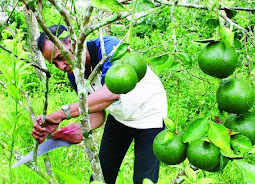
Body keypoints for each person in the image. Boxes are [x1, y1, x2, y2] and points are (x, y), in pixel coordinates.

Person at [32, 25, 168, 184]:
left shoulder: (109, 47)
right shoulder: (75, 75)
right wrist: (82, 129)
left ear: (73, 42)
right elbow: (97, 112)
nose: (61, 67)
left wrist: (62, 114)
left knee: (144, 180)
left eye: (60, 58)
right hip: (120, 118)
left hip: (149, 117)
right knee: (100, 177)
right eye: (54, 63)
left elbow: (111, 93)